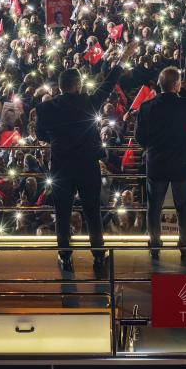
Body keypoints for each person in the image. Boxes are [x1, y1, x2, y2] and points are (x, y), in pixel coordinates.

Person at [36, 40, 139, 271]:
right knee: (92, 213)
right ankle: (99, 256)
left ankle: (65, 256)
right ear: (79, 84)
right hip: (87, 167)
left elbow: (42, 135)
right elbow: (109, 83)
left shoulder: (45, 108)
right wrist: (124, 57)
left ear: (61, 87)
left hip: (61, 168)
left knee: (62, 214)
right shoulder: (88, 101)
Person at [134, 66, 186, 260]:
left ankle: (155, 244)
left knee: (154, 207)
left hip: (156, 163)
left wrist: (151, 148)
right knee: (184, 207)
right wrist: (182, 90)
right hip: (181, 163)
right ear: (176, 85)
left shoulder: (146, 107)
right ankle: (185, 244)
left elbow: (139, 136)